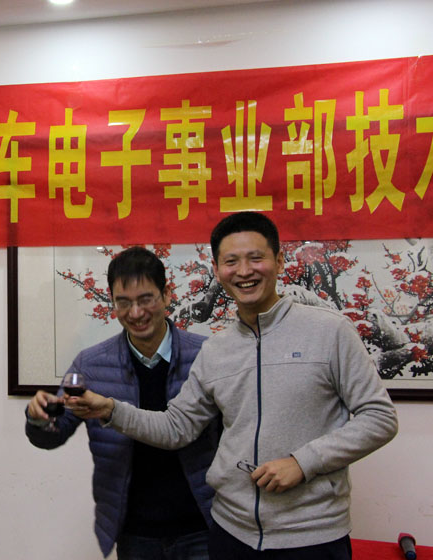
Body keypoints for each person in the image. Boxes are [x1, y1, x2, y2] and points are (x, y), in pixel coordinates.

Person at [70, 212, 399, 559]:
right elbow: (176, 427)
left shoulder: (329, 332)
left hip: (312, 536)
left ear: (279, 260)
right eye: (231, 261)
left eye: (255, 258)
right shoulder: (216, 350)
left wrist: (304, 462)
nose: (244, 271)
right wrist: (110, 409)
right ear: (217, 269)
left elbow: (379, 418)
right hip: (230, 533)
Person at [25, 247, 220, 559]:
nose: (136, 313)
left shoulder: (206, 355)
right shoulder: (91, 364)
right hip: (134, 530)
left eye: (146, 299)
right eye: (124, 302)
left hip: (203, 525)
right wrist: (39, 416)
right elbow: (54, 433)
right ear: (112, 303)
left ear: (167, 295)